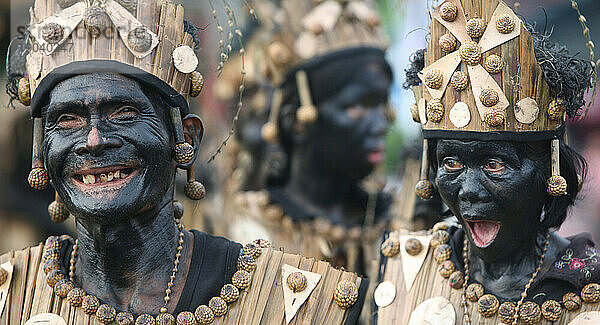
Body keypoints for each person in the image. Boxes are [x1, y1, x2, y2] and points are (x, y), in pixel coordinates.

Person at [0, 1, 367, 324]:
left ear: (186, 137)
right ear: (42, 150)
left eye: (125, 113)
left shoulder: (303, 303)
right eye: (68, 119)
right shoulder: (9, 297)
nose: (94, 139)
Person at [372, 0, 599, 324]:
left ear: (549, 172)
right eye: (451, 163)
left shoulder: (586, 280)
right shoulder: (401, 266)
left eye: (495, 165)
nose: (468, 190)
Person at [225, 0, 395, 276]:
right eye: (359, 106)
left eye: (382, 104)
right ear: (297, 122)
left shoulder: (398, 226)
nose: (381, 123)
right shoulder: (246, 233)